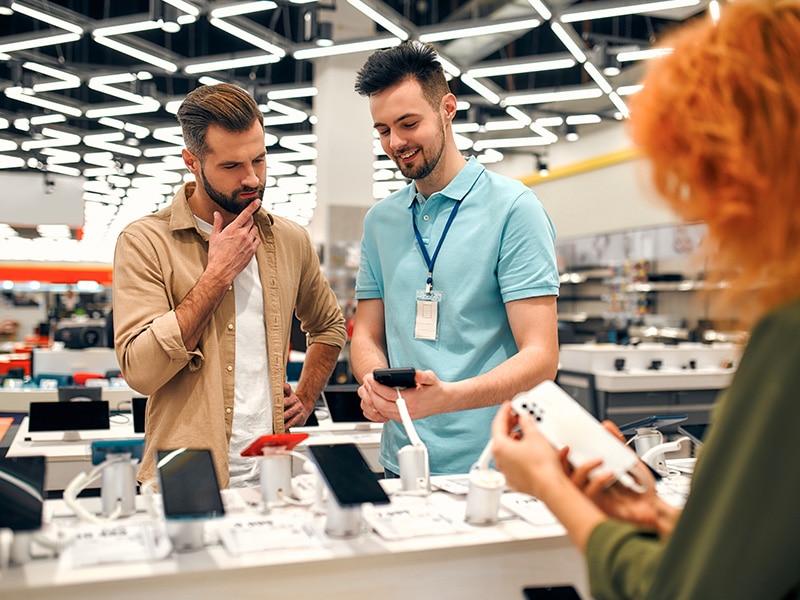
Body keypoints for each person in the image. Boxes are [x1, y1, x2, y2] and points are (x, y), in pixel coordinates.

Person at [491, 1, 800, 598]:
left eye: (707, 178)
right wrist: (657, 514)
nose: (700, 213)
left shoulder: (788, 338)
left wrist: (550, 485)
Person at [113, 83, 347, 488]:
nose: (252, 177)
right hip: (184, 471)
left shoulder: (290, 240)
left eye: (259, 159)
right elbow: (141, 370)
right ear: (192, 161)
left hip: (274, 470)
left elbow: (329, 326)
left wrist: (307, 396)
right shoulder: (145, 242)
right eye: (231, 166)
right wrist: (217, 276)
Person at [350, 41, 560, 476]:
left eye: (409, 123)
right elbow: (367, 335)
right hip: (402, 461)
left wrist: (448, 397)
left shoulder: (513, 208)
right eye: (384, 130)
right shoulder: (380, 222)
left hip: (495, 464)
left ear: (448, 108)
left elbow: (542, 357)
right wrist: (374, 382)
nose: (396, 143)